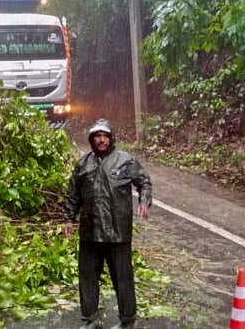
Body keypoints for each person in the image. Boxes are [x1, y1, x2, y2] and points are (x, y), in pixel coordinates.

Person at [63, 118, 152, 329]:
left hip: (117, 232)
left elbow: (144, 181)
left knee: (123, 279)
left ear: (111, 138)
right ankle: (90, 319)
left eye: (105, 136)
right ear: (92, 139)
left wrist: (144, 200)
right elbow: (73, 193)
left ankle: (127, 321)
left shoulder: (125, 160)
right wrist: (68, 218)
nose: (101, 140)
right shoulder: (83, 164)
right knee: (87, 277)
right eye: (97, 136)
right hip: (90, 232)